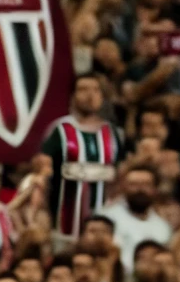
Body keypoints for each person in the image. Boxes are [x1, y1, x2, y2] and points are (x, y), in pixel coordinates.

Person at [43, 74, 125, 245]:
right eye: (83, 90)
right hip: (64, 221)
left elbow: (120, 173)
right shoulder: (60, 130)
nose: (90, 95)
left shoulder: (112, 133)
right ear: (73, 97)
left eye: (95, 90)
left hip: (103, 219)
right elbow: (43, 172)